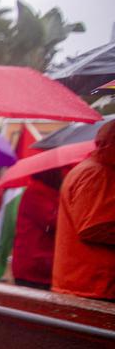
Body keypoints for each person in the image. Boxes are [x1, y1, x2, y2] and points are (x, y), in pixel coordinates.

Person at [52, 121, 115, 301]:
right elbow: (94, 228)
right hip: (92, 284)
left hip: (90, 283)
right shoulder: (97, 173)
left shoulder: (98, 170)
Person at [11, 169, 63, 290]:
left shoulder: (50, 192)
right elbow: (52, 222)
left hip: (42, 265)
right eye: (60, 171)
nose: (63, 175)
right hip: (34, 267)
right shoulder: (36, 192)